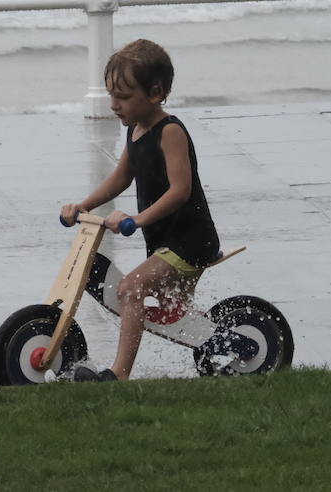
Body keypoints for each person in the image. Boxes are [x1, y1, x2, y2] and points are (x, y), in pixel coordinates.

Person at [59, 39, 221, 382]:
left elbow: (181, 191)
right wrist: (83, 205)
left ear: (156, 92)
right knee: (161, 305)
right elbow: (119, 178)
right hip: (165, 242)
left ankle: (118, 375)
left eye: (123, 97)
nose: (114, 105)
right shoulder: (136, 130)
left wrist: (138, 219)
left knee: (131, 288)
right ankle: (205, 333)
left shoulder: (171, 131)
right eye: (111, 96)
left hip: (189, 241)